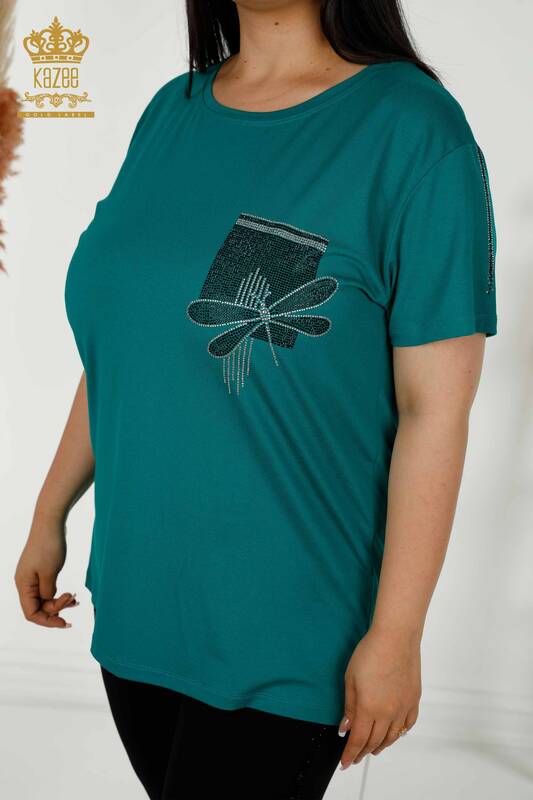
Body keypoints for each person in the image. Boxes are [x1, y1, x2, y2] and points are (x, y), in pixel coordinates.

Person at [13, 1, 498, 798]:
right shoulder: (172, 113)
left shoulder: (412, 129)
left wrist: (397, 633)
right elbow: (129, 352)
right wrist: (49, 511)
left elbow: (434, 411)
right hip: (140, 602)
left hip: (290, 627)